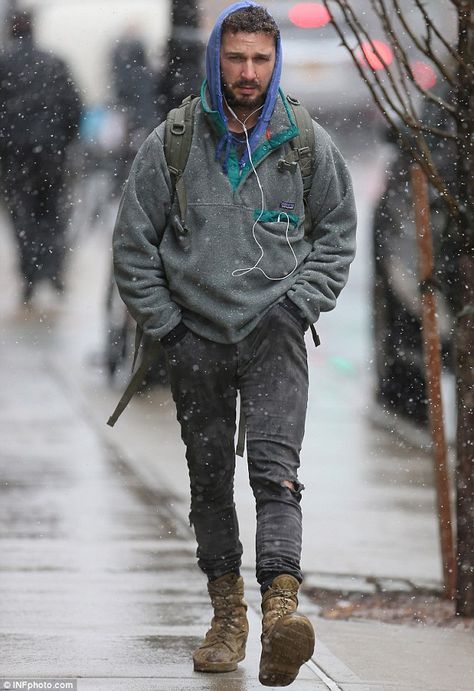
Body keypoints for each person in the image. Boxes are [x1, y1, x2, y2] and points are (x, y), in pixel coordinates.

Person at [111, 2, 356, 686]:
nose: (248, 72)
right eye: (237, 58)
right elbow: (134, 249)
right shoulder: (177, 139)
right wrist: (170, 328)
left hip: (276, 336)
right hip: (197, 341)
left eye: (260, 59)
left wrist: (298, 304)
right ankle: (228, 620)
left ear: (275, 62)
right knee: (209, 482)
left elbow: (337, 234)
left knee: (277, 476)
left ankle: (282, 617)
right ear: (217, 58)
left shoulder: (303, 139)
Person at [0, 10, 82, 303]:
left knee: (23, 215)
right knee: (53, 211)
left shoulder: (4, 65)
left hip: (15, 156)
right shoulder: (54, 63)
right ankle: (53, 269)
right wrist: (62, 141)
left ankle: (30, 276)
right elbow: (74, 107)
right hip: (51, 153)